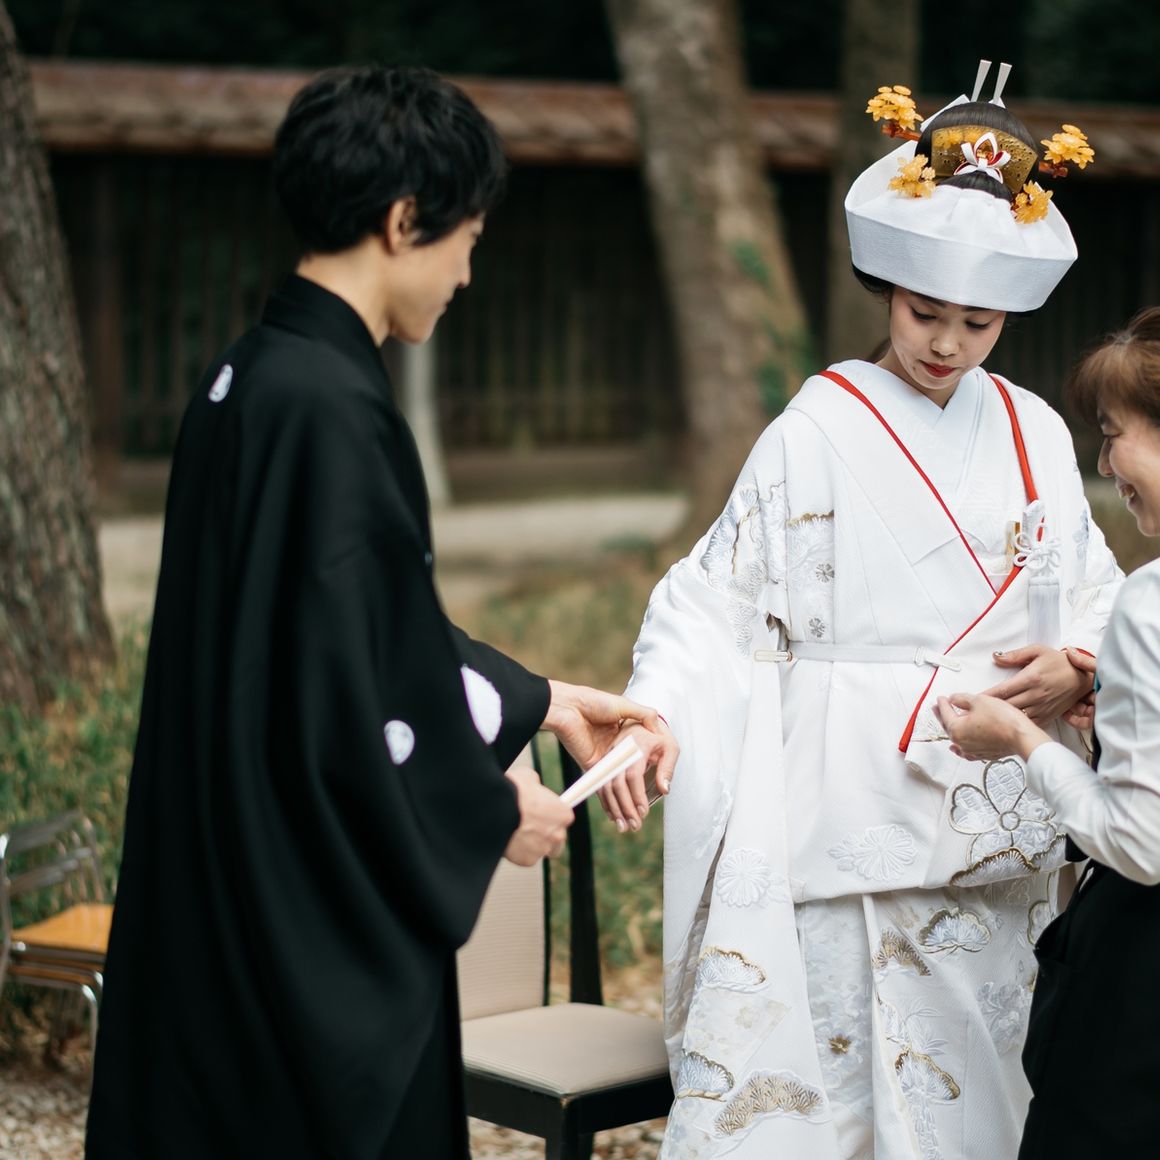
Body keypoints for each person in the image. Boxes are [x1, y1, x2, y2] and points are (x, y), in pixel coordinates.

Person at [85, 65, 675, 1160]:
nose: (465, 273)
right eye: (466, 240)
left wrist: (542, 700)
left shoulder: (249, 377)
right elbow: (349, 685)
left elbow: (351, 631)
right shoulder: (332, 411)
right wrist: (488, 810)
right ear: (405, 222)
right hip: (291, 920)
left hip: (223, 869)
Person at [622, 64, 1122, 1158]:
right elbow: (712, 601)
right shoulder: (812, 432)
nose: (945, 342)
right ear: (885, 289)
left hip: (997, 795)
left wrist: (1080, 662)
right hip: (846, 795)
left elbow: (1093, 589)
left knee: (986, 1079)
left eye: (976, 322)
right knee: (845, 1084)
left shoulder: (1035, 430)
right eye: (922, 311)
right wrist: (654, 710)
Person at [936, 307, 1160, 1159]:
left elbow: (1140, 842)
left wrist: (1024, 744)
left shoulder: (1149, 603)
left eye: (1113, 435)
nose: (1104, 466)